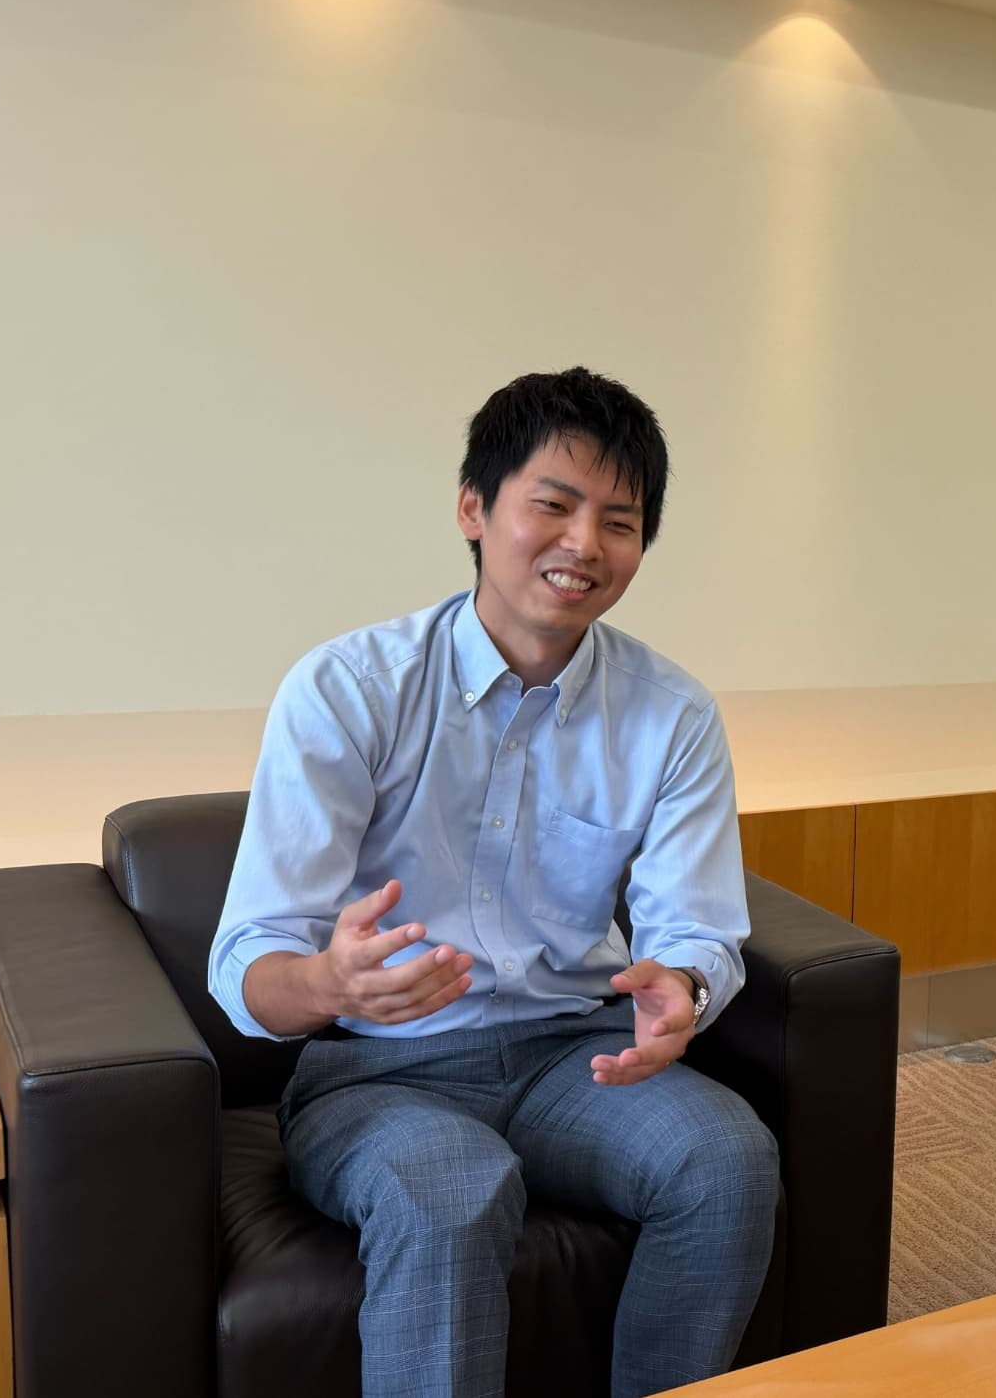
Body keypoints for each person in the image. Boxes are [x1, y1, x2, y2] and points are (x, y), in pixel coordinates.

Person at [207, 367, 778, 1398]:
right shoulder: (348, 689)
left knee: (726, 1158)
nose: (584, 544)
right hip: (378, 1073)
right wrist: (329, 982)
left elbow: (697, 928)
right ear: (474, 507)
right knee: (452, 1188)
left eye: (619, 522)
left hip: (575, 1055)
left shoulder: (672, 714)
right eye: (553, 504)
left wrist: (685, 986)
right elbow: (249, 956)